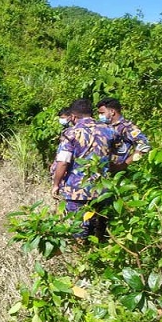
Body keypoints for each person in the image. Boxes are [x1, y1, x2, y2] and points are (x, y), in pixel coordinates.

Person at [51, 98, 118, 240]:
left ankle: (81, 252)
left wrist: (56, 184)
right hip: (102, 188)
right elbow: (117, 155)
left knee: (79, 228)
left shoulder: (70, 134)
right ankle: (98, 254)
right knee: (100, 229)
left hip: (77, 190)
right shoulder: (109, 130)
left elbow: (63, 162)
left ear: (73, 116)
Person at [96, 97, 151, 173]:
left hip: (118, 173)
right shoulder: (104, 126)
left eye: (102, 113)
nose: (99, 116)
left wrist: (123, 165)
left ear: (112, 112)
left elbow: (145, 145)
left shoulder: (126, 127)